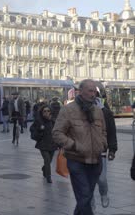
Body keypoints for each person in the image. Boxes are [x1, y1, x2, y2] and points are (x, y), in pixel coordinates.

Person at [53, 79, 107, 215]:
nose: (93, 94)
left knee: (86, 196)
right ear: (80, 91)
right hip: (77, 161)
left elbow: (104, 131)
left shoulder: (98, 111)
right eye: (90, 91)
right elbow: (57, 133)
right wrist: (74, 145)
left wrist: (103, 144)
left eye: (95, 91)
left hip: (96, 161)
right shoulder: (68, 110)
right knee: (84, 195)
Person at [91, 92, 117, 210]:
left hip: (100, 150)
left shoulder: (105, 112)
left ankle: (104, 193)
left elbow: (112, 131)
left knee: (101, 178)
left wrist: (112, 149)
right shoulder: (78, 110)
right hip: (82, 152)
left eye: (93, 93)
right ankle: (90, 204)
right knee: (87, 181)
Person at [30, 105, 58, 183]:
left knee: (49, 161)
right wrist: (39, 129)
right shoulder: (38, 121)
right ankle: (48, 176)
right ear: (42, 113)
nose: (46, 112)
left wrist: (60, 144)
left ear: (51, 112)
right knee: (47, 160)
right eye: (44, 111)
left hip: (52, 144)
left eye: (48, 111)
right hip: (42, 144)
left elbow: (58, 133)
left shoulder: (53, 121)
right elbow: (32, 129)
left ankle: (44, 169)